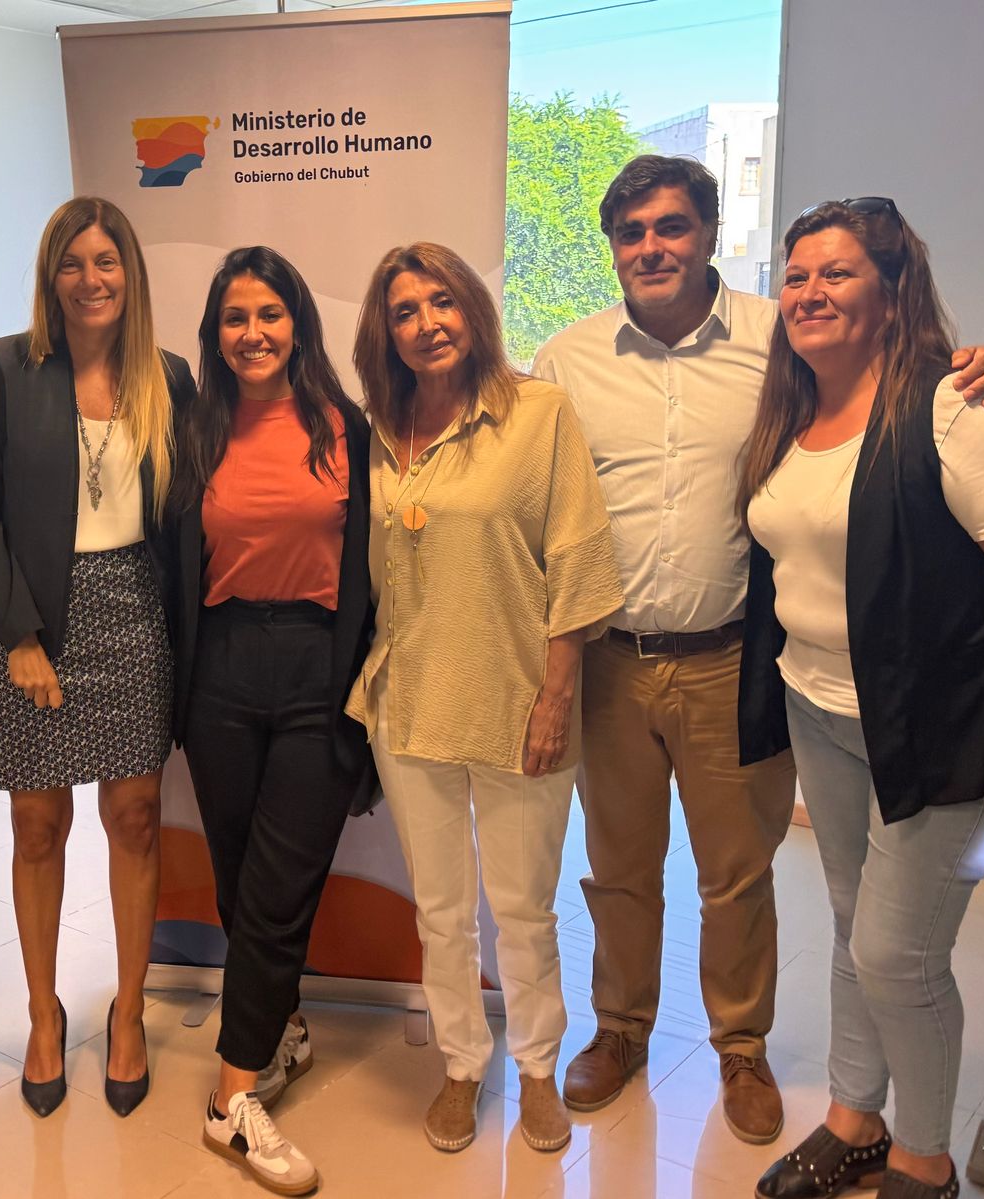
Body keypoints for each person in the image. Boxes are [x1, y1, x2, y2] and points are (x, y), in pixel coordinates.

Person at [530, 154, 984, 1145]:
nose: (651, 247)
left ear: (710, 233)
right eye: (630, 233)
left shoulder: (781, 341)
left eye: (672, 226)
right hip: (612, 661)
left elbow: (896, 377)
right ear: (613, 248)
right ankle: (620, 1027)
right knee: (616, 865)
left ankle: (739, 1044)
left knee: (736, 873)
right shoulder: (566, 361)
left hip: (735, 661)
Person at [737, 198, 984, 1199]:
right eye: (796, 276)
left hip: (945, 735)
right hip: (819, 710)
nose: (809, 292)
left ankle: (923, 1158)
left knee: (897, 955)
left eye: (837, 273)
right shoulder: (790, 414)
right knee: (848, 921)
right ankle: (854, 1120)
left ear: (892, 289)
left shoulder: (959, 410)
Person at [345, 242, 625, 1156]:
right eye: (405, 311)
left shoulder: (537, 414)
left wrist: (556, 696)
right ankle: (462, 1063)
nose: (427, 323)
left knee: (524, 907)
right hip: (408, 699)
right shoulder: (377, 429)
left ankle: (537, 1066)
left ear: (473, 308)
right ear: (385, 333)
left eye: (443, 302)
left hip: (517, 699)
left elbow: (578, 556)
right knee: (440, 908)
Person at [0, 195, 193, 1119]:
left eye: (107, 261)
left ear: (130, 272)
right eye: (72, 262)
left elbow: (187, 516)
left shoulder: (166, 376)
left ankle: (129, 1011)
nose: (91, 279)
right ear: (50, 276)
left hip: (133, 612)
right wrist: (18, 636)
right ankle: (44, 1012)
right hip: (32, 619)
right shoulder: (4, 367)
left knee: (135, 819)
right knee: (36, 827)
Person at [170, 246, 376, 1195]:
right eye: (234, 317)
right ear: (214, 333)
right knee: (238, 868)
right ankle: (281, 1025)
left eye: (269, 314)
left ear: (298, 324)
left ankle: (231, 1099)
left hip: (315, 669)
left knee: (280, 884)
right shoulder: (194, 429)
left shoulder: (345, 426)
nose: (252, 333)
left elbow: (375, 566)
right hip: (218, 668)